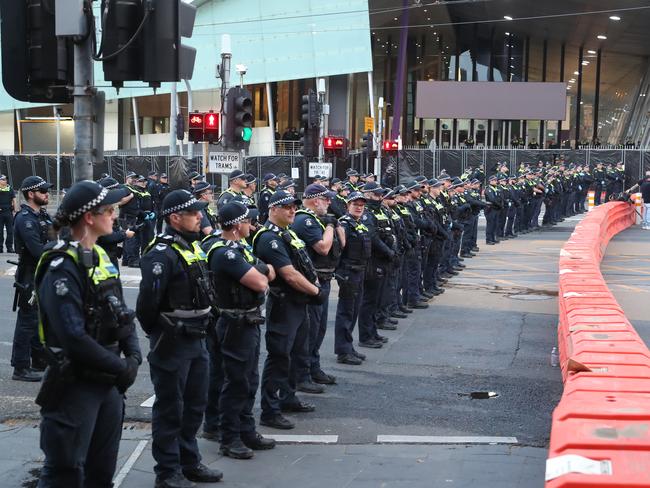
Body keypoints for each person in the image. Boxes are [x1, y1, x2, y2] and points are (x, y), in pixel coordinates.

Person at [34, 180, 141, 487]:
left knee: (101, 471)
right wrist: (122, 367)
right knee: (65, 472)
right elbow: (72, 336)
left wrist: (133, 354)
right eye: (109, 210)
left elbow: (122, 311)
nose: (115, 216)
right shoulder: (61, 265)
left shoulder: (102, 257)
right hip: (75, 383)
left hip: (107, 382)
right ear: (89, 217)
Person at [137, 189, 223, 488]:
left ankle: (189, 461)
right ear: (175, 217)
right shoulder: (161, 252)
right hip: (173, 339)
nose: (201, 216)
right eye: (194, 212)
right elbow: (147, 305)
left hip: (197, 337)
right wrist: (161, 333)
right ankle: (167, 472)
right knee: (171, 407)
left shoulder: (191, 245)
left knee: (195, 404)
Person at [204, 201, 277, 459]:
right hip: (234, 322)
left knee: (249, 379)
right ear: (236, 226)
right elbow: (261, 280)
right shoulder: (225, 253)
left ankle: (246, 430)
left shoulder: (239, 248)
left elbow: (270, 272)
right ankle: (230, 437)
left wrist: (262, 271)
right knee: (235, 382)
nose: (251, 225)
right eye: (247, 221)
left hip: (249, 320)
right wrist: (262, 272)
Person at [252, 190, 326, 430]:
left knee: (297, 353)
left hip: (298, 302)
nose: (292, 210)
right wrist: (315, 291)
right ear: (273, 209)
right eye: (287, 207)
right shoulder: (268, 238)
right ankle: (270, 410)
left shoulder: (288, 233)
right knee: (279, 357)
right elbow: (289, 274)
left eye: (294, 207)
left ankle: (288, 397)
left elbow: (303, 264)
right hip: (284, 303)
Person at [291, 184, 344, 392]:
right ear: (316, 200)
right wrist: (330, 226)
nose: (330, 203)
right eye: (327, 199)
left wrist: (334, 224)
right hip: (312, 281)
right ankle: (302, 375)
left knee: (319, 328)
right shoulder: (305, 220)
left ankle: (313, 367)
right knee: (310, 330)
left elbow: (342, 244)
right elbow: (323, 248)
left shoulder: (317, 220)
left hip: (324, 278)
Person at [11, 176, 55, 381]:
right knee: (27, 321)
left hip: (44, 273)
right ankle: (20, 367)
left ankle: (38, 359)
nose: (47, 194)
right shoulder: (25, 219)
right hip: (30, 274)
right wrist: (58, 248)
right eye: (43, 191)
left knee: (41, 319)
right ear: (31, 194)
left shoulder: (42, 215)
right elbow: (37, 250)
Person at [333, 191, 371, 365]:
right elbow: (339, 249)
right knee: (346, 312)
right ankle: (343, 350)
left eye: (362, 205)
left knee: (354, 311)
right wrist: (340, 272)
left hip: (359, 271)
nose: (359, 207)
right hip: (348, 272)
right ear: (348, 206)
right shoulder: (344, 224)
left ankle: (349, 346)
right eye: (355, 204)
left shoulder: (360, 223)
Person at [97, 177, 136, 270]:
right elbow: (106, 237)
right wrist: (124, 234)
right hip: (103, 259)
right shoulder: (99, 210)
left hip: (109, 254)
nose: (113, 216)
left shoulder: (106, 206)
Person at [0, 174, 17, 253]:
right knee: (0, 231)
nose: (5, 181)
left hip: (8, 212)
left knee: (10, 231)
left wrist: (15, 210)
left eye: (5, 179)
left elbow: (14, 199)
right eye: (3, 179)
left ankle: (9, 247)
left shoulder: (10, 188)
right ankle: (0, 247)